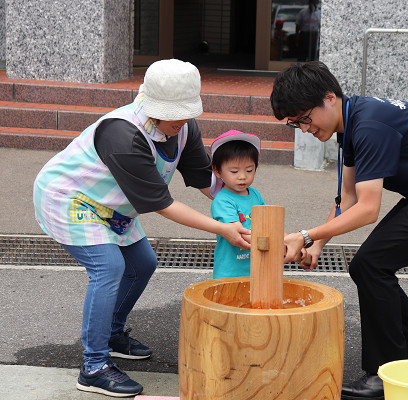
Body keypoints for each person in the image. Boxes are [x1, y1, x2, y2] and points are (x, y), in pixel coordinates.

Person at [270, 61, 408, 400]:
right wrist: (318, 243)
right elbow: (347, 197)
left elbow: (368, 209)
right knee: (372, 266)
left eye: (304, 118)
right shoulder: (351, 122)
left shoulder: (370, 125)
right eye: (294, 123)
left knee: (371, 264)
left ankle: (383, 373)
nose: (303, 129)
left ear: (329, 98)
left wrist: (304, 235)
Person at [32, 59, 251, 397]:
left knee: (143, 264)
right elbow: (162, 204)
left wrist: (246, 209)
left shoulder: (184, 128)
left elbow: (202, 179)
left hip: (115, 205)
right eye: (174, 113)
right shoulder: (123, 133)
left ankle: (111, 333)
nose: (181, 120)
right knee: (109, 268)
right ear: (153, 105)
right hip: (70, 199)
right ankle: (93, 366)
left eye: (186, 112)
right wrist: (223, 229)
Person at [210, 130, 265, 278]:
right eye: (234, 171)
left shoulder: (255, 194)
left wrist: (288, 239)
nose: (242, 177)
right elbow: (238, 233)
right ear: (217, 170)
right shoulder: (222, 201)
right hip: (230, 272)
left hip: (257, 269)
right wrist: (279, 245)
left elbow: (268, 223)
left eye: (249, 170)